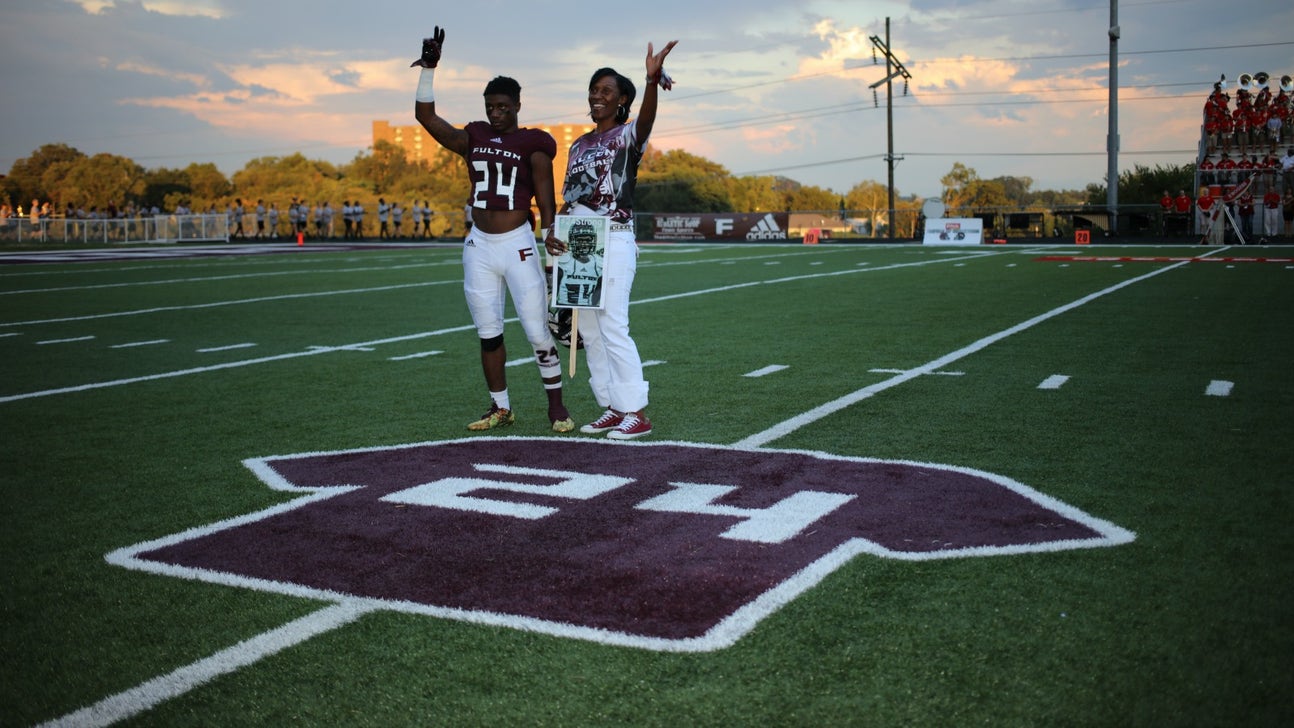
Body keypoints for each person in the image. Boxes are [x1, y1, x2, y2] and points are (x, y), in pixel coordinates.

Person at [412, 26, 573, 433]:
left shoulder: (533, 142)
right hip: (479, 244)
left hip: (517, 241)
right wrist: (429, 69)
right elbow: (426, 117)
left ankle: (556, 407)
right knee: (488, 332)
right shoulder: (475, 135)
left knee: (537, 331)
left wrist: (550, 233)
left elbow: (545, 194)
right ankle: (501, 407)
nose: (495, 113)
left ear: (517, 104)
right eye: (490, 106)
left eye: (502, 106)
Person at [544, 40, 677, 440]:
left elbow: (648, 119)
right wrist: (553, 231)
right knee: (590, 331)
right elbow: (570, 198)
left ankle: (636, 411)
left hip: (614, 238)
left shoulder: (627, 136)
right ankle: (613, 405)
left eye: (606, 91)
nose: (596, 96)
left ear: (622, 100)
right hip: (579, 241)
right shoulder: (578, 144)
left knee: (614, 324)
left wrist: (651, 81)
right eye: (594, 90)